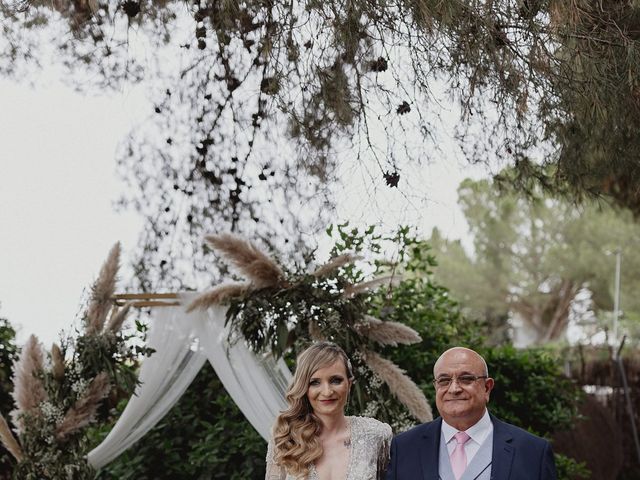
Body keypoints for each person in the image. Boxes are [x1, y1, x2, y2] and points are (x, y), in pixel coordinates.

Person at [385, 347, 557, 480]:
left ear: (487, 388)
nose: (454, 389)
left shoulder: (532, 452)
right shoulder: (405, 447)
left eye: (466, 379)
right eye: (444, 381)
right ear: (436, 387)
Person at [266, 341, 392, 480]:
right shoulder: (286, 439)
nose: (327, 392)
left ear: (349, 384)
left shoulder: (376, 435)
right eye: (315, 382)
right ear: (304, 387)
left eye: (335, 380)